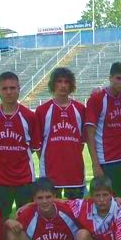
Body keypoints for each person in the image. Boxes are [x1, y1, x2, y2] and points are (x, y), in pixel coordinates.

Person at [0, 71, 41, 219]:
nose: (9, 92)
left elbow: (34, 147)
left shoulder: (29, 117)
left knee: (27, 220)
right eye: (4, 88)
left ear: (19, 89)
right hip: (0, 180)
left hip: (25, 180)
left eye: (12, 88)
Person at [85, 62, 121, 198]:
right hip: (105, 161)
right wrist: (96, 165)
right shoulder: (97, 99)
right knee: (104, 201)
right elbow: (89, 135)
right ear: (110, 78)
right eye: (119, 78)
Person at [36, 67, 87, 199]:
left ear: (71, 85)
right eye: (59, 81)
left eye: (66, 82)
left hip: (74, 171)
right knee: (50, 208)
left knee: (75, 209)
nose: (63, 85)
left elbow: (82, 142)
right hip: (50, 171)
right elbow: (38, 145)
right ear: (53, 84)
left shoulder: (80, 109)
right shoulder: (42, 110)